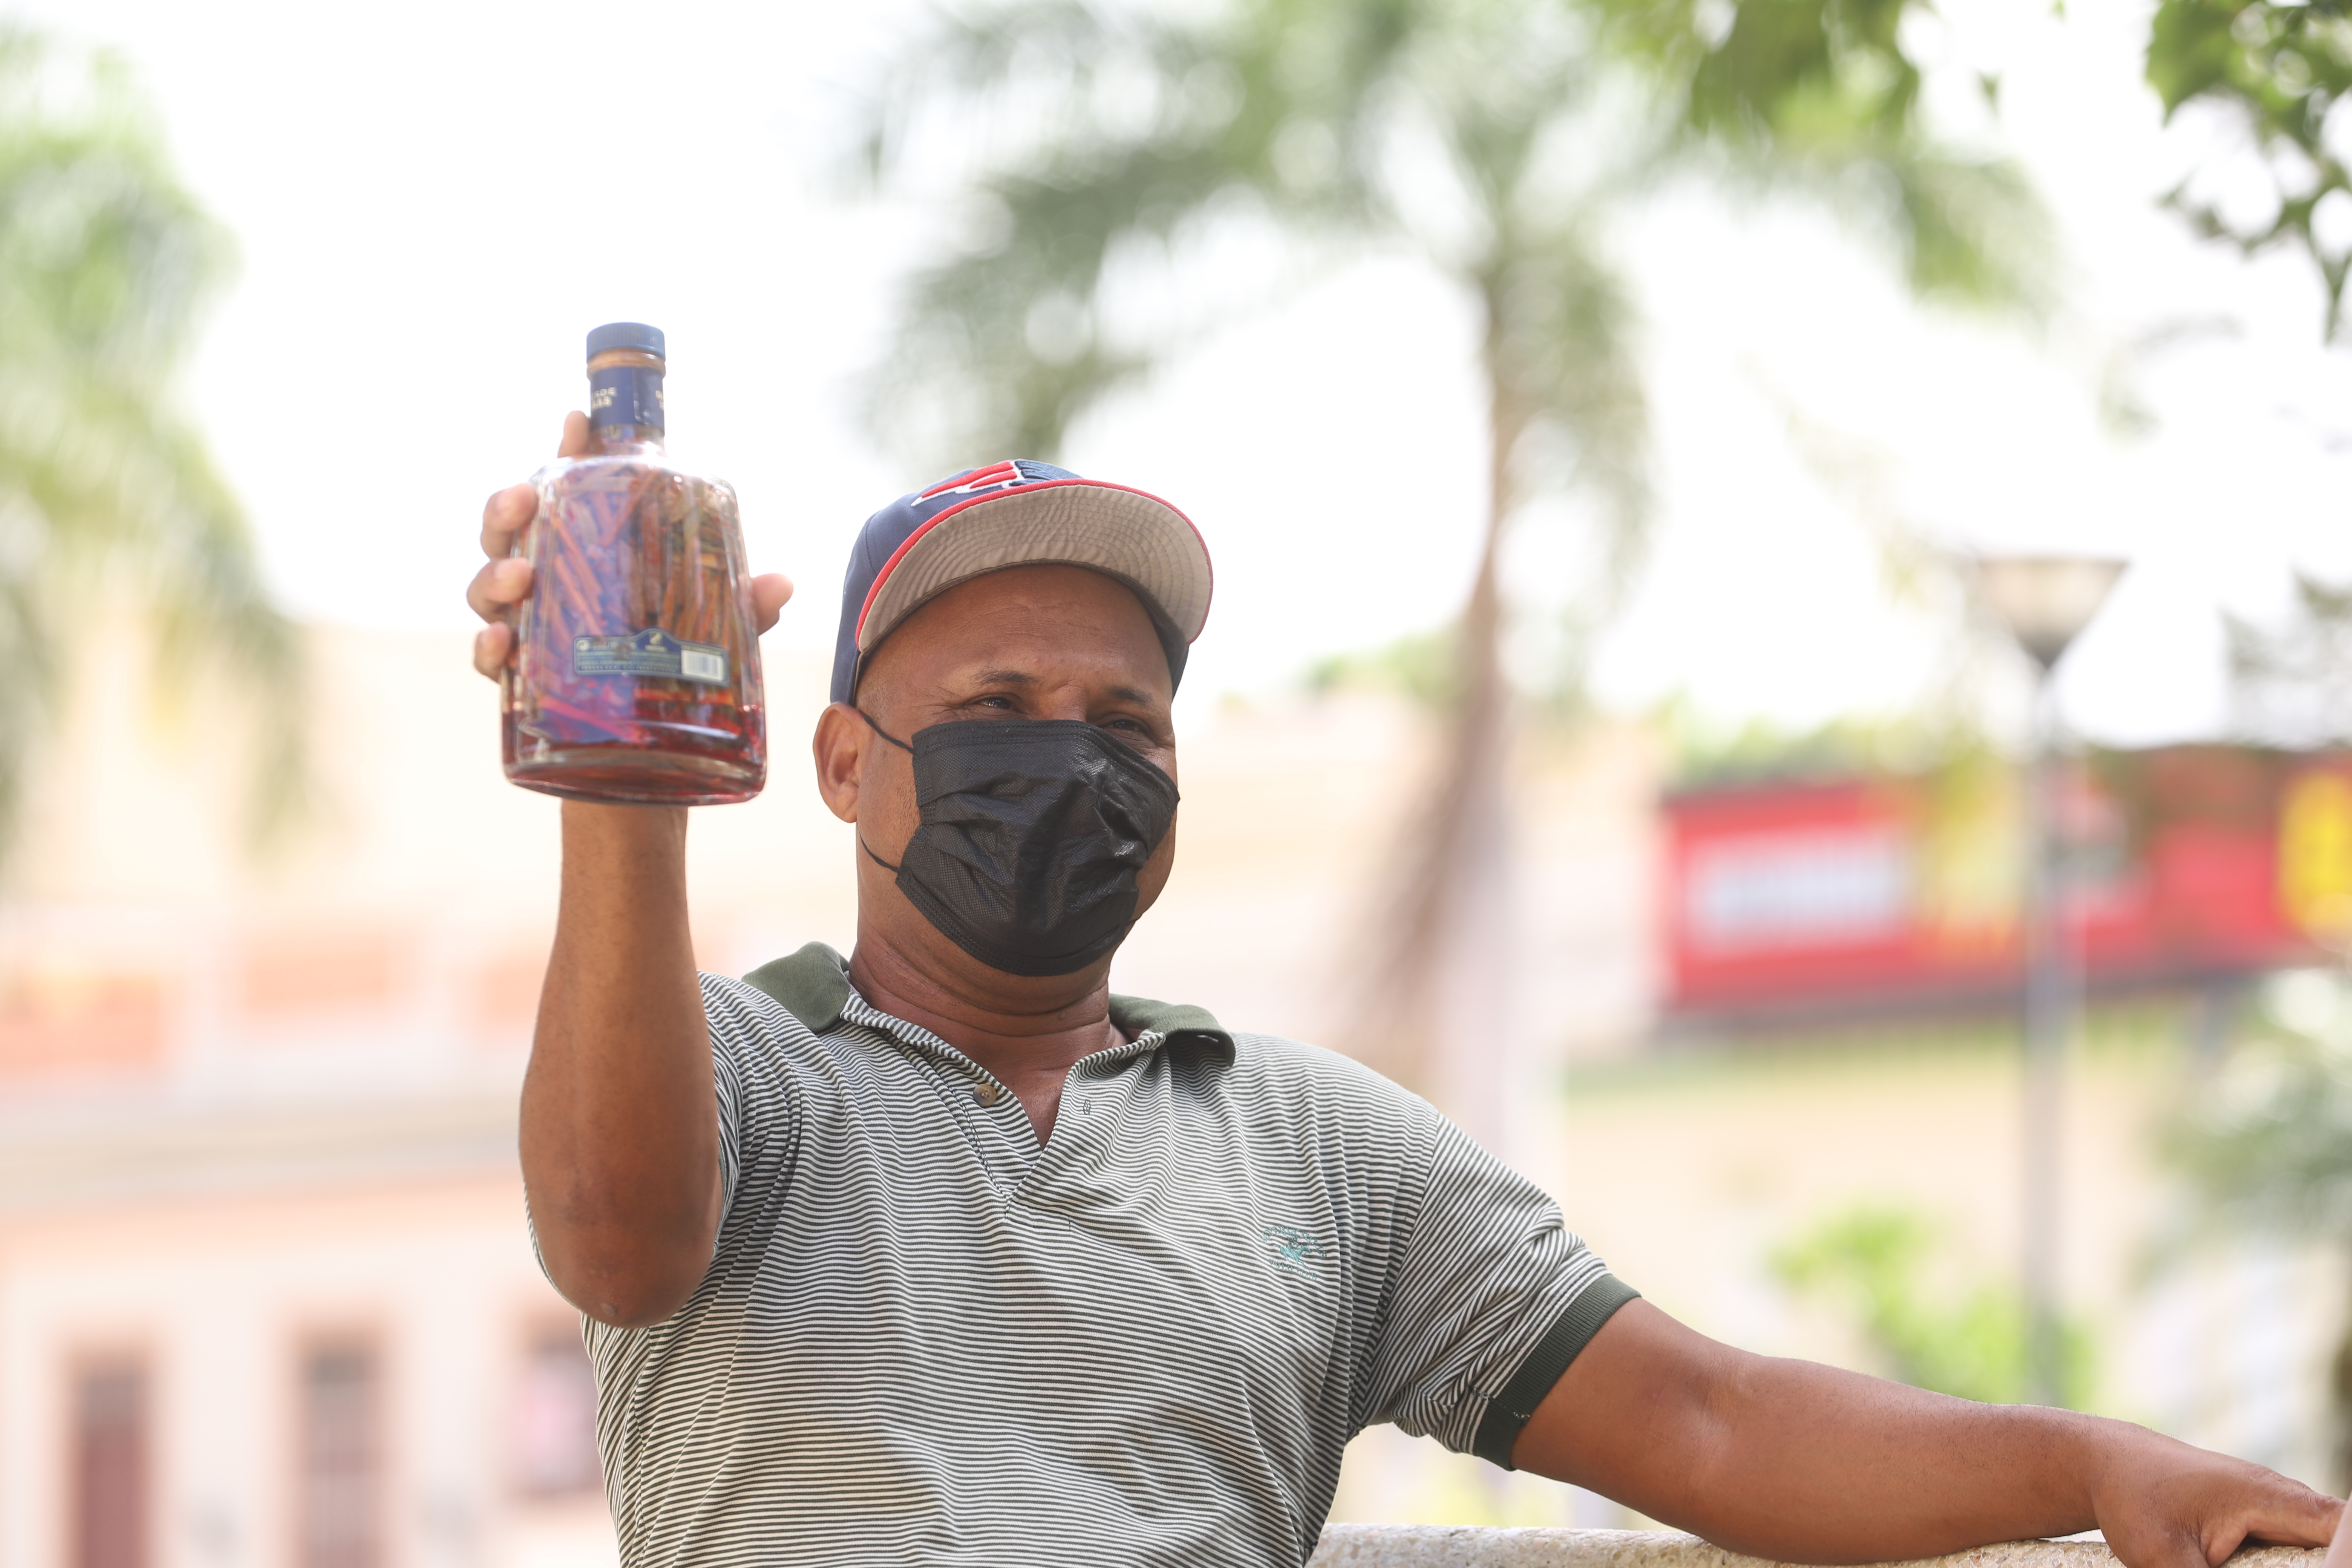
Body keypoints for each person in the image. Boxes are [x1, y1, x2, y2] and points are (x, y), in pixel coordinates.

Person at [468, 415, 2340, 1568]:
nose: (1071, 756)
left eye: (1124, 721)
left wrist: (2095, 1462)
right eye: (995, 712)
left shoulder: (1322, 1150)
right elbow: (618, 1233)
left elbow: (1708, 1419)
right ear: (843, 765)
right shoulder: (739, 1075)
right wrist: (620, 777)